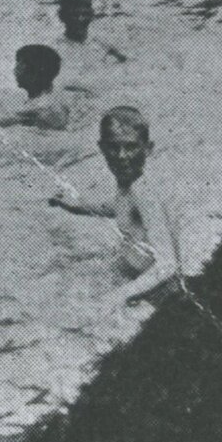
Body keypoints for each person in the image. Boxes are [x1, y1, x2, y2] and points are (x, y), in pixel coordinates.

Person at [45, 107, 182, 310]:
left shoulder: (145, 194)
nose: (121, 156)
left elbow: (168, 264)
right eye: (113, 147)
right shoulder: (130, 186)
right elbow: (118, 207)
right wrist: (76, 206)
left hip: (158, 294)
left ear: (148, 149)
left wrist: (115, 298)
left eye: (131, 147)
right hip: (141, 281)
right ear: (101, 148)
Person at [0, 44, 87, 131]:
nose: (15, 70)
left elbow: (22, 119)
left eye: (20, 65)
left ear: (35, 72)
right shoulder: (47, 102)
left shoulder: (48, 108)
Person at [55, 0, 127, 63]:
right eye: (75, 15)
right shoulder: (55, 50)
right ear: (62, 16)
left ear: (91, 15)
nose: (81, 19)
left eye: (85, 14)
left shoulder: (103, 47)